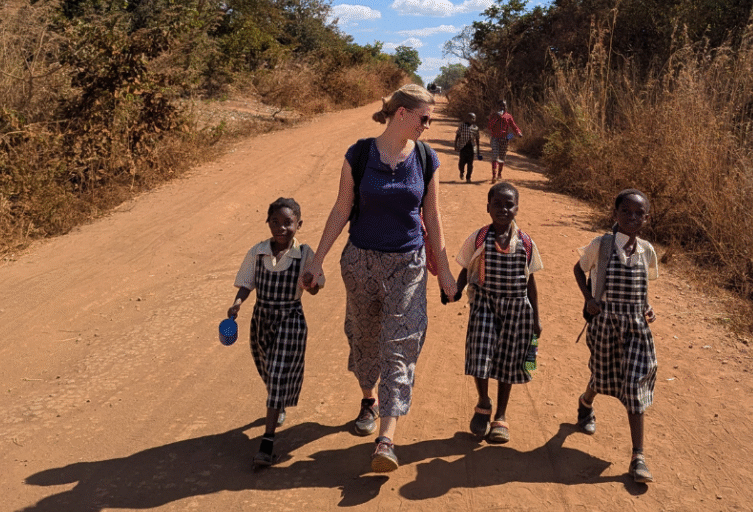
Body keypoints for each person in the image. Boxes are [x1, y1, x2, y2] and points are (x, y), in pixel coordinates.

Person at [300, 83, 456, 473]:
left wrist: (446, 270)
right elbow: (341, 209)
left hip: (407, 266)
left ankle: (386, 436)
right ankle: (369, 398)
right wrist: (317, 260)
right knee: (364, 336)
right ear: (401, 113)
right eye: (424, 118)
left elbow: (432, 218)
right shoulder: (359, 155)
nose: (428, 125)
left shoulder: (425, 157)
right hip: (361, 264)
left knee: (400, 345)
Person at [225, 197, 324, 468]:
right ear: (268, 223)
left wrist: (309, 284)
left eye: (288, 223)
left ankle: (267, 443)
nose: (281, 228)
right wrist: (237, 302)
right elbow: (247, 282)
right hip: (262, 319)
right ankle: (277, 404)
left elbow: (316, 287)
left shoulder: (304, 254)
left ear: (299, 225)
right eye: (275, 222)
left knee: (278, 373)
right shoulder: (257, 252)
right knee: (268, 369)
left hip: (290, 320)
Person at [572, 189, 660, 483]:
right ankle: (586, 403)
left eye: (639, 214)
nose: (633, 218)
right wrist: (588, 298)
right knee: (604, 372)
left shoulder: (647, 251)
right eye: (627, 212)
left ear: (646, 218)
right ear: (615, 215)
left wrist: (647, 308)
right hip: (605, 323)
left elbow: (643, 285)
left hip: (636, 328)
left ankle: (638, 457)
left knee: (634, 385)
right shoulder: (603, 245)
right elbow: (579, 269)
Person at [447, 181, 543, 444]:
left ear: (517, 208)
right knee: (479, 354)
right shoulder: (479, 238)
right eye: (497, 204)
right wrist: (454, 291)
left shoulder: (525, 242)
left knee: (508, 363)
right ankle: (483, 404)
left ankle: (501, 416)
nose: (503, 209)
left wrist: (536, 317)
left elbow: (530, 281)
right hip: (484, 304)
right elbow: (466, 269)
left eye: (509, 204)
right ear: (487, 206)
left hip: (517, 309)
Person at [487, 100, 522, 182]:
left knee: (502, 157)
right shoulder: (493, 116)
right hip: (495, 137)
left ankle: (499, 174)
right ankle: (494, 175)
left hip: (504, 139)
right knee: (495, 155)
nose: (502, 107)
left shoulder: (508, 116)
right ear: (498, 107)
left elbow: (514, 126)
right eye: (501, 106)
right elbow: (489, 127)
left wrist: (518, 132)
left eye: (504, 106)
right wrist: (496, 118)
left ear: (506, 107)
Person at [453, 112, 482, 183]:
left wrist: (478, 150)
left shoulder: (475, 128)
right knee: (461, 162)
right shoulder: (462, 126)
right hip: (463, 147)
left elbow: (477, 139)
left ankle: (468, 177)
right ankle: (461, 172)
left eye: (474, 118)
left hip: (471, 148)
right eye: (471, 118)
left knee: (470, 164)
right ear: (467, 118)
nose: (473, 119)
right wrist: (456, 145)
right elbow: (458, 135)